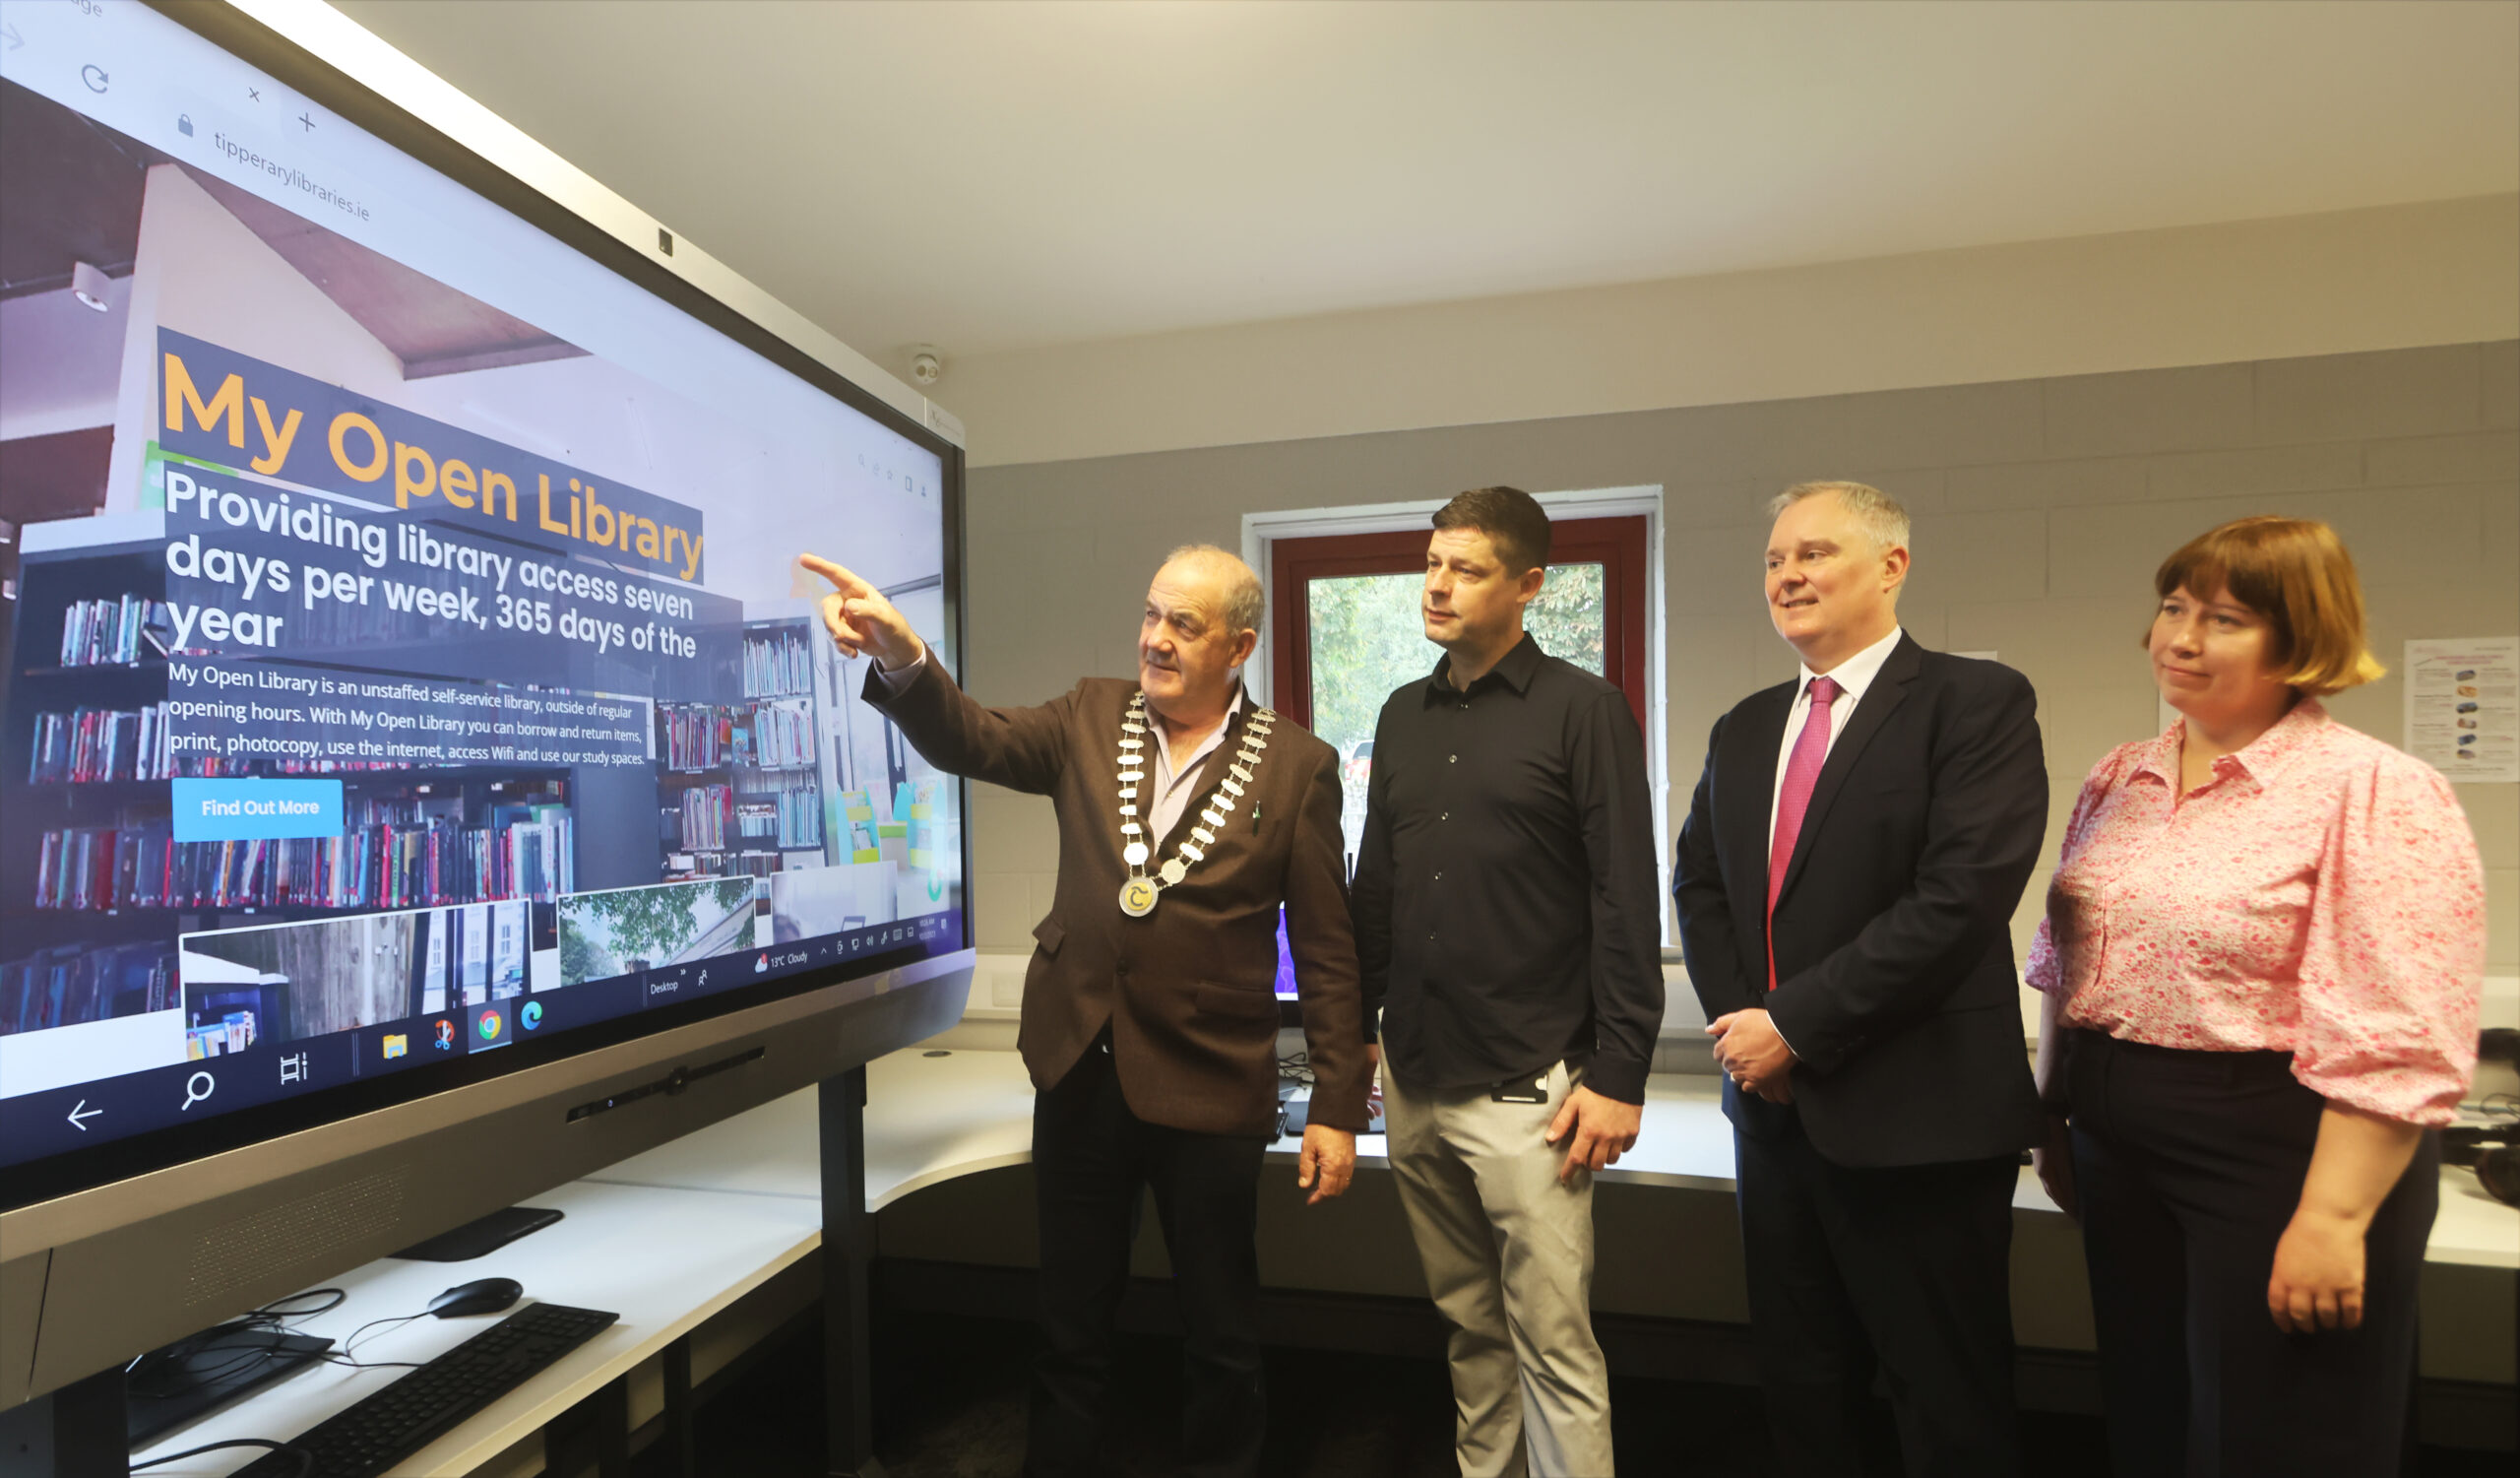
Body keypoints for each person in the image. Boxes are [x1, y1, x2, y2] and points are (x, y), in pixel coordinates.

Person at [801, 544, 1369, 1478]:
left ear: (1240, 646)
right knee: (1070, 1330)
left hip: (1212, 1084)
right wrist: (904, 656)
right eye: (1150, 614)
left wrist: (1341, 1104)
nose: (1154, 638)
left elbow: (1328, 948)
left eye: (1182, 624)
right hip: (1080, 1068)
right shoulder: (1089, 714)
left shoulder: (1297, 766)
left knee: (1221, 1338)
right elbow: (970, 738)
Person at [2026, 516, 2485, 1477]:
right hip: (2118, 1132)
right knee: (2154, 1415)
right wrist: (2055, 1105)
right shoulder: (2123, 775)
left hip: (2284, 1145)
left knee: (2281, 1431)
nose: (2180, 638)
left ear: (2300, 638)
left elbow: (2397, 1025)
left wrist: (2330, 1219)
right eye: (2172, 607)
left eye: (2224, 618)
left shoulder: (2371, 789)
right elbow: (2068, 961)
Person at [1671, 481, 2048, 1477]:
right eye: (1773, 559)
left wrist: (1792, 1025)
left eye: (1815, 553)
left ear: (1892, 566)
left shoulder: (1975, 703)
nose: (1788, 575)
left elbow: (1957, 898)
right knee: (1803, 1389)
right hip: (1775, 1113)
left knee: (1947, 1398)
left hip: (1918, 1118)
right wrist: (1746, 1032)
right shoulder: (1746, 727)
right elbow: (1698, 884)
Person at [1350, 486, 1664, 1478]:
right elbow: (1375, 888)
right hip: (1414, 1071)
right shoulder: (1401, 713)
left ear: (1528, 585)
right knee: (1469, 1331)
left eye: (1466, 568)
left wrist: (1621, 1070)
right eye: (1432, 563)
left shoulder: (1583, 710)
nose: (1438, 584)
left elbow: (1624, 895)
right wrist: (1356, 1029)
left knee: (1553, 1345)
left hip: (1530, 1082)